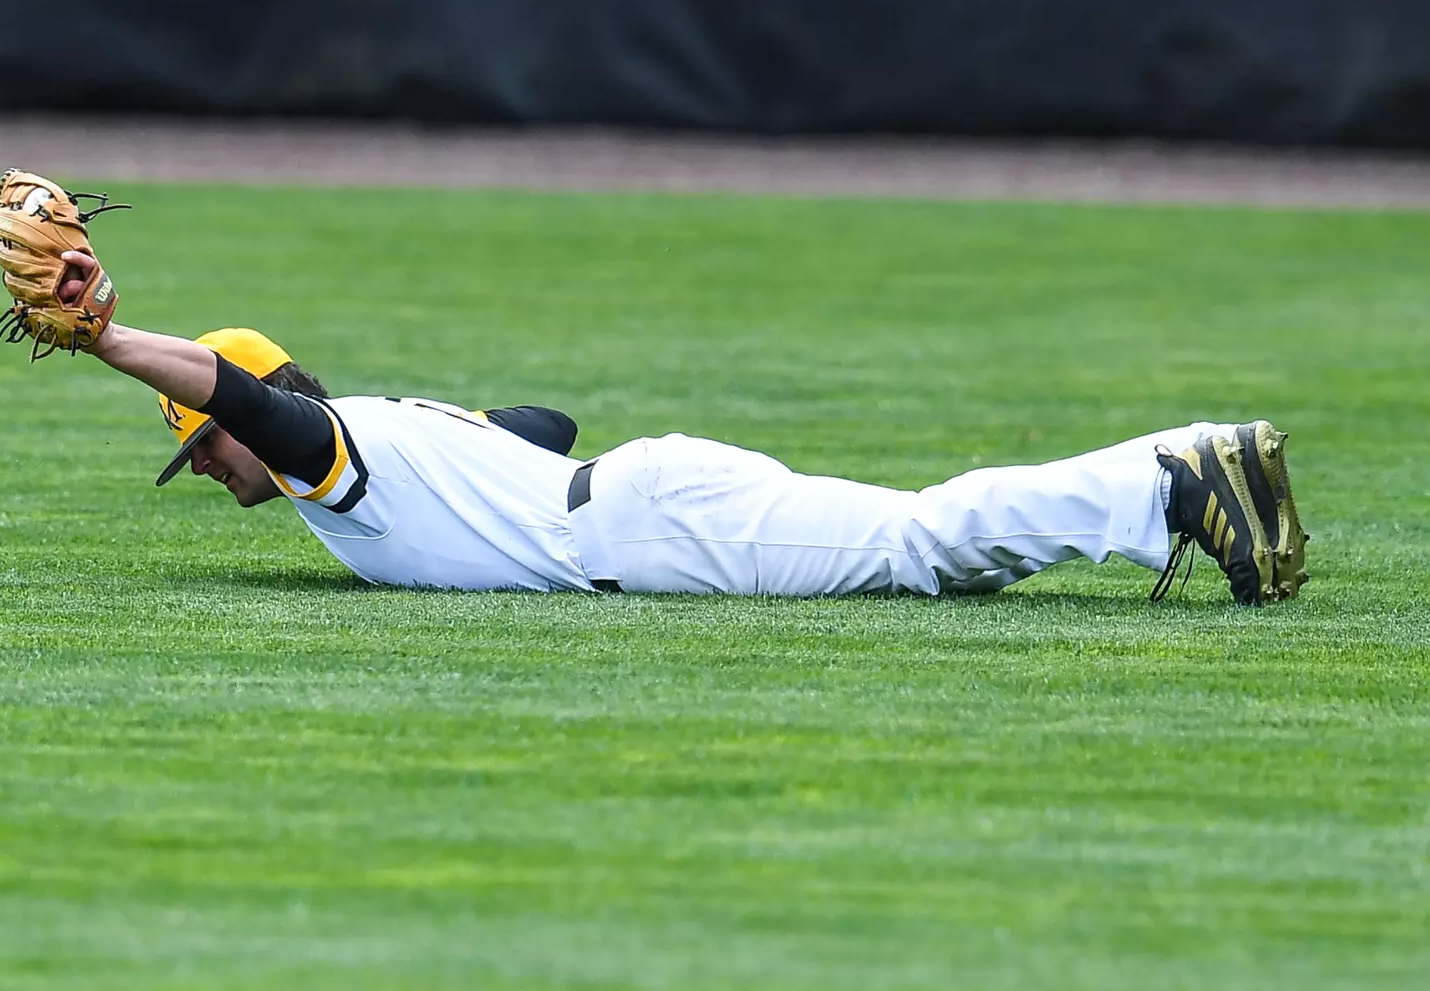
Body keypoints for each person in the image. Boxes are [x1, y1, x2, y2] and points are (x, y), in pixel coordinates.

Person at [64, 255, 1307, 605]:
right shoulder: (390, 430)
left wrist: (117, 343)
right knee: (921, 544)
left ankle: (1171, 473)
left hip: (661, 528)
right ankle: (1180, 475)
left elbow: (248, 401)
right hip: (642, 496)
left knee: (927, 545)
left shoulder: (342, 458)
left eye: (201, 441)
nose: (210, 460)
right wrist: (475, 452)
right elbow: (541, 422)